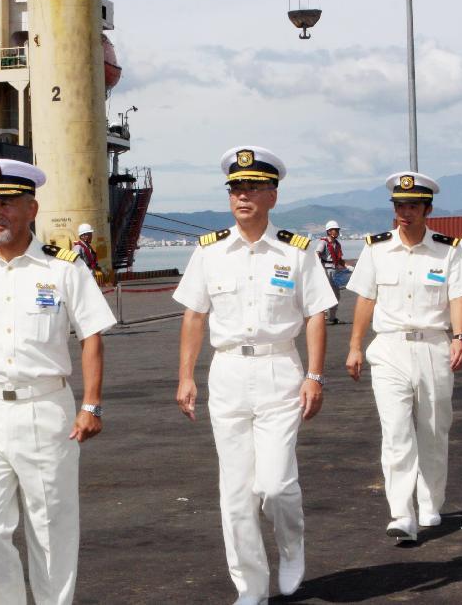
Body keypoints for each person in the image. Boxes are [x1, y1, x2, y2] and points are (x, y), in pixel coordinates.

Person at [0, 158, 116, 604]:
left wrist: (91, 405)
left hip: (45, 410)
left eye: (6, 202)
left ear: (31, 209)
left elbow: (91, 336)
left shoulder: (64, 268)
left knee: (51, 529)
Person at [173, 145, 336, 604]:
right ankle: (250, 587)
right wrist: (186, 376)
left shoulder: (296, 252)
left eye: (253, 188)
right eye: (235, 189)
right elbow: (193, 316)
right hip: (226, 372)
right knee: (237, 492)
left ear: (273, 196)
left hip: (279, 368)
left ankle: (292, 545)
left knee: (276, 483)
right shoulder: (209, 253)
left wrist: (316, 376)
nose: (242, 196)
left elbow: (317, 314)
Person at [345, 171, 462, 542]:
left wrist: (460, 337)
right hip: (389, 348)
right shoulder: (376, 248)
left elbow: (458, 297)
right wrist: (355, 346)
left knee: (433, 429)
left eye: (413, 205)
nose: (405, 212)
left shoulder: (448, 249)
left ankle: (430, 501)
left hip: (434, 345)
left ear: (427, 209)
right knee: (397, 431)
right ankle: (401, 512)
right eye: (400, 205)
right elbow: (365, 299)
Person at [316, 219, 346, 324]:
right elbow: (317, 254)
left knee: (336, 294)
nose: (336, 232)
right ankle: (322, 315)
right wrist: (318, 269)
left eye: (337, 230)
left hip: (334, 270)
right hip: (326, 270)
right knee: (325, 293)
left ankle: (332, 317)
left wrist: (348, 267)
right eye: (334, 230)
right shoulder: (323, 242)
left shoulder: (337, 244)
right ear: (329, 231)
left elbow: (339, 259)